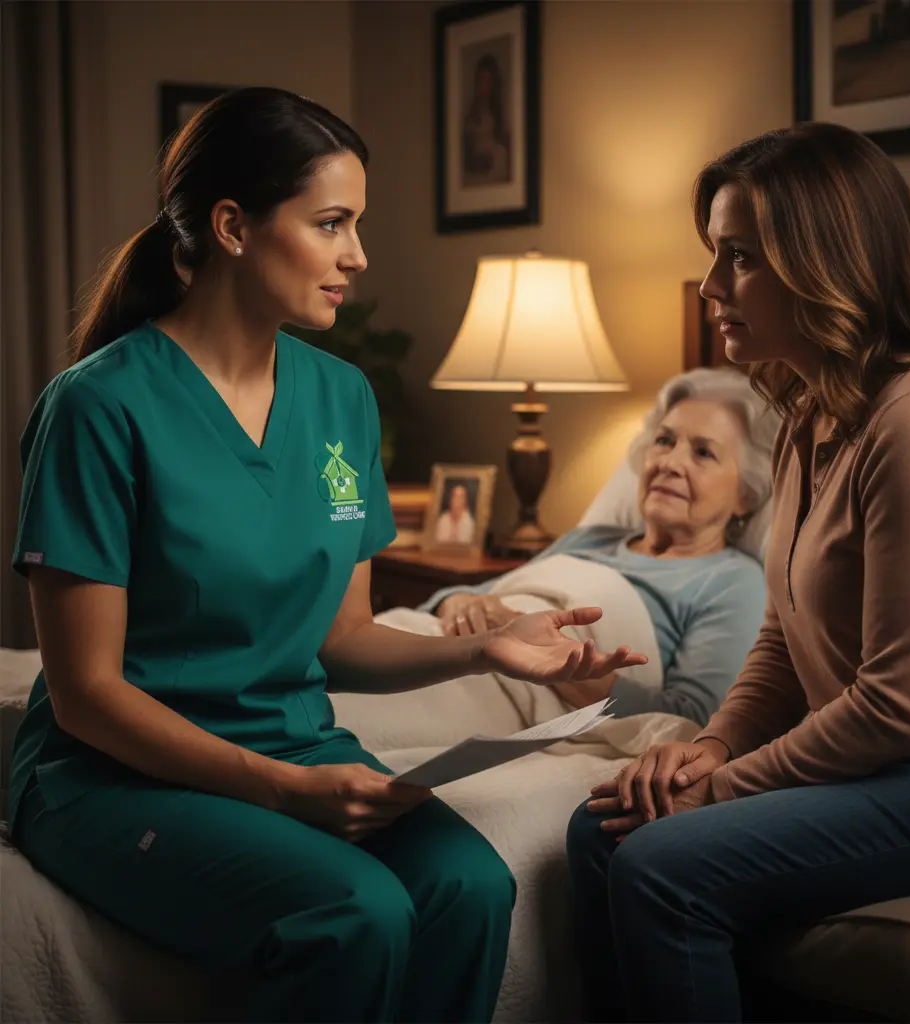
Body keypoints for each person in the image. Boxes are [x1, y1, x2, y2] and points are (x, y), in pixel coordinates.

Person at [7, 86, 646, 1024]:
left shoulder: (342, 398)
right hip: (112, 776)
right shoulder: (98, 408)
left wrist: (486, 645)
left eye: (357, 224)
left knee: (470, 889)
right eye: (332, 223)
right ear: (232, 226)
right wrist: (285, 790)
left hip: (292, 743)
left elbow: (344, 636)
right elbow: (86, 695)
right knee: (357, 911)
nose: (358, 255)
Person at [566, 121, 910, 1022]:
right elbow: (785, 630)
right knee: (601, 826)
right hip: (888, 770)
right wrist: (712, 744)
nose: (709, 288)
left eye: (739, 258)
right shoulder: (818, 409)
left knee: (658, 863)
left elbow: (897, 706)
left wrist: (719, 788)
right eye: (715, 256)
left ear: (825, 264)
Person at [428, 368, 774, 726]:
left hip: (491, 692)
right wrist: (460, 604)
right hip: (441, 648)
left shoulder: (735, 582)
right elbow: (463, 598)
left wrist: (547, 653)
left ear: (746, 494)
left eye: (703, 453)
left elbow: (693, 719)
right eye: (664, 441)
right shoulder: (589, 538)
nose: (669, 463)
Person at [461, 53, 511, 186]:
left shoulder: (500, 119)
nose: (482, 87)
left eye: (487, 81)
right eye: (480, 80)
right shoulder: (468, 119)